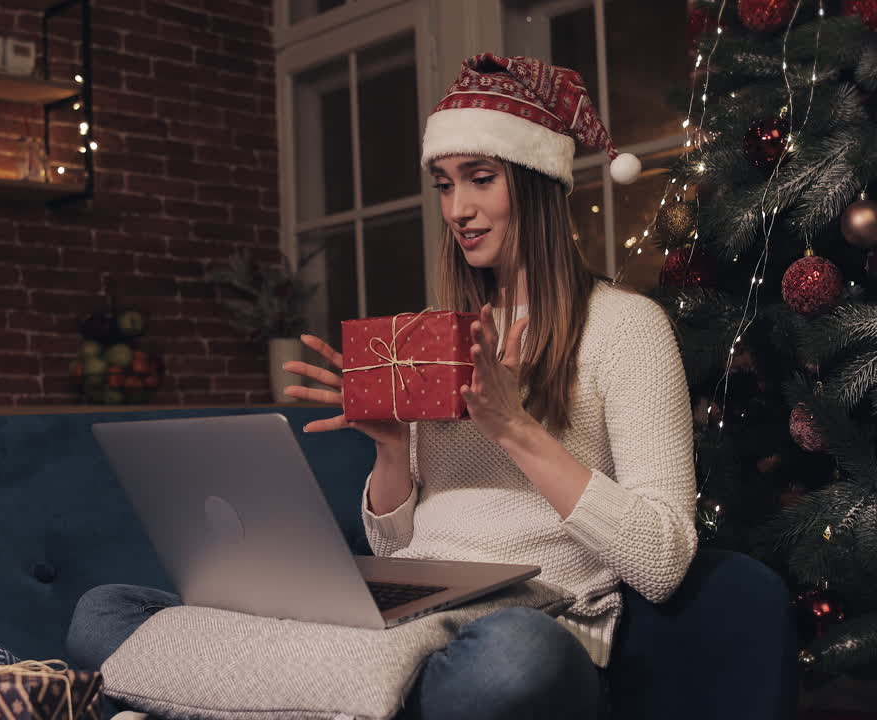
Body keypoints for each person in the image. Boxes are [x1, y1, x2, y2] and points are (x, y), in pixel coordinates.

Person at [67, 53, 696, 720]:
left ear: (537, 180)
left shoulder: (628, 327)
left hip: (530, 619)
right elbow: (402, 555)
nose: (458, 209)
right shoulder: (433, 335)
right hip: (403, 618)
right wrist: (392, 451)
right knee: (103, 612)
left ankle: (256, 694)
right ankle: (345, 691)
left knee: (512, 663)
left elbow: (662, 559)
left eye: (480, 180)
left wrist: (515, 429)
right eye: (444, 185)